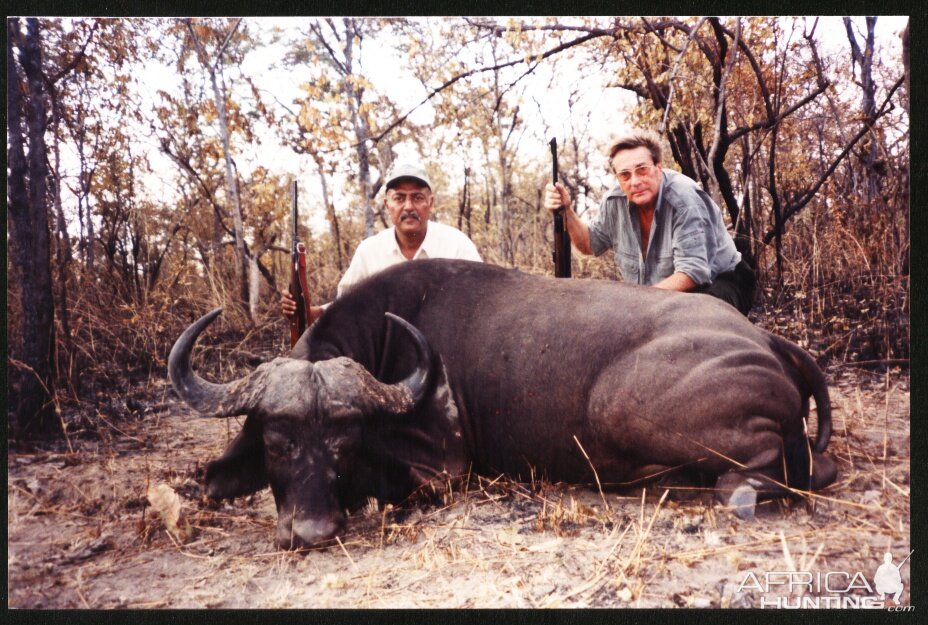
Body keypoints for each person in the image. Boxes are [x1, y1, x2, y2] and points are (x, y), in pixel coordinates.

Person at [543, 129, 755, 315]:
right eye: (625, 175)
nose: (635, 181)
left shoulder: (684, 199)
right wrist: (567, 211)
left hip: (723, 280)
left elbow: (692, 273)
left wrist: (635, 304)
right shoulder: (614, 202)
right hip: (661, 295)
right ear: (618, 178)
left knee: (687, 322)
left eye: (642, 169)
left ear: (658, 168)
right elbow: (589, 244)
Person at [281, 162, 482, 322]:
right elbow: (346, 306)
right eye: (399, 198)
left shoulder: (457, 246)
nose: (408, 206)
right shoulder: (369, 251)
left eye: (418, 198)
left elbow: (481, 302)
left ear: (430, 203)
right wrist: (311, 313)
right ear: (387, 204)